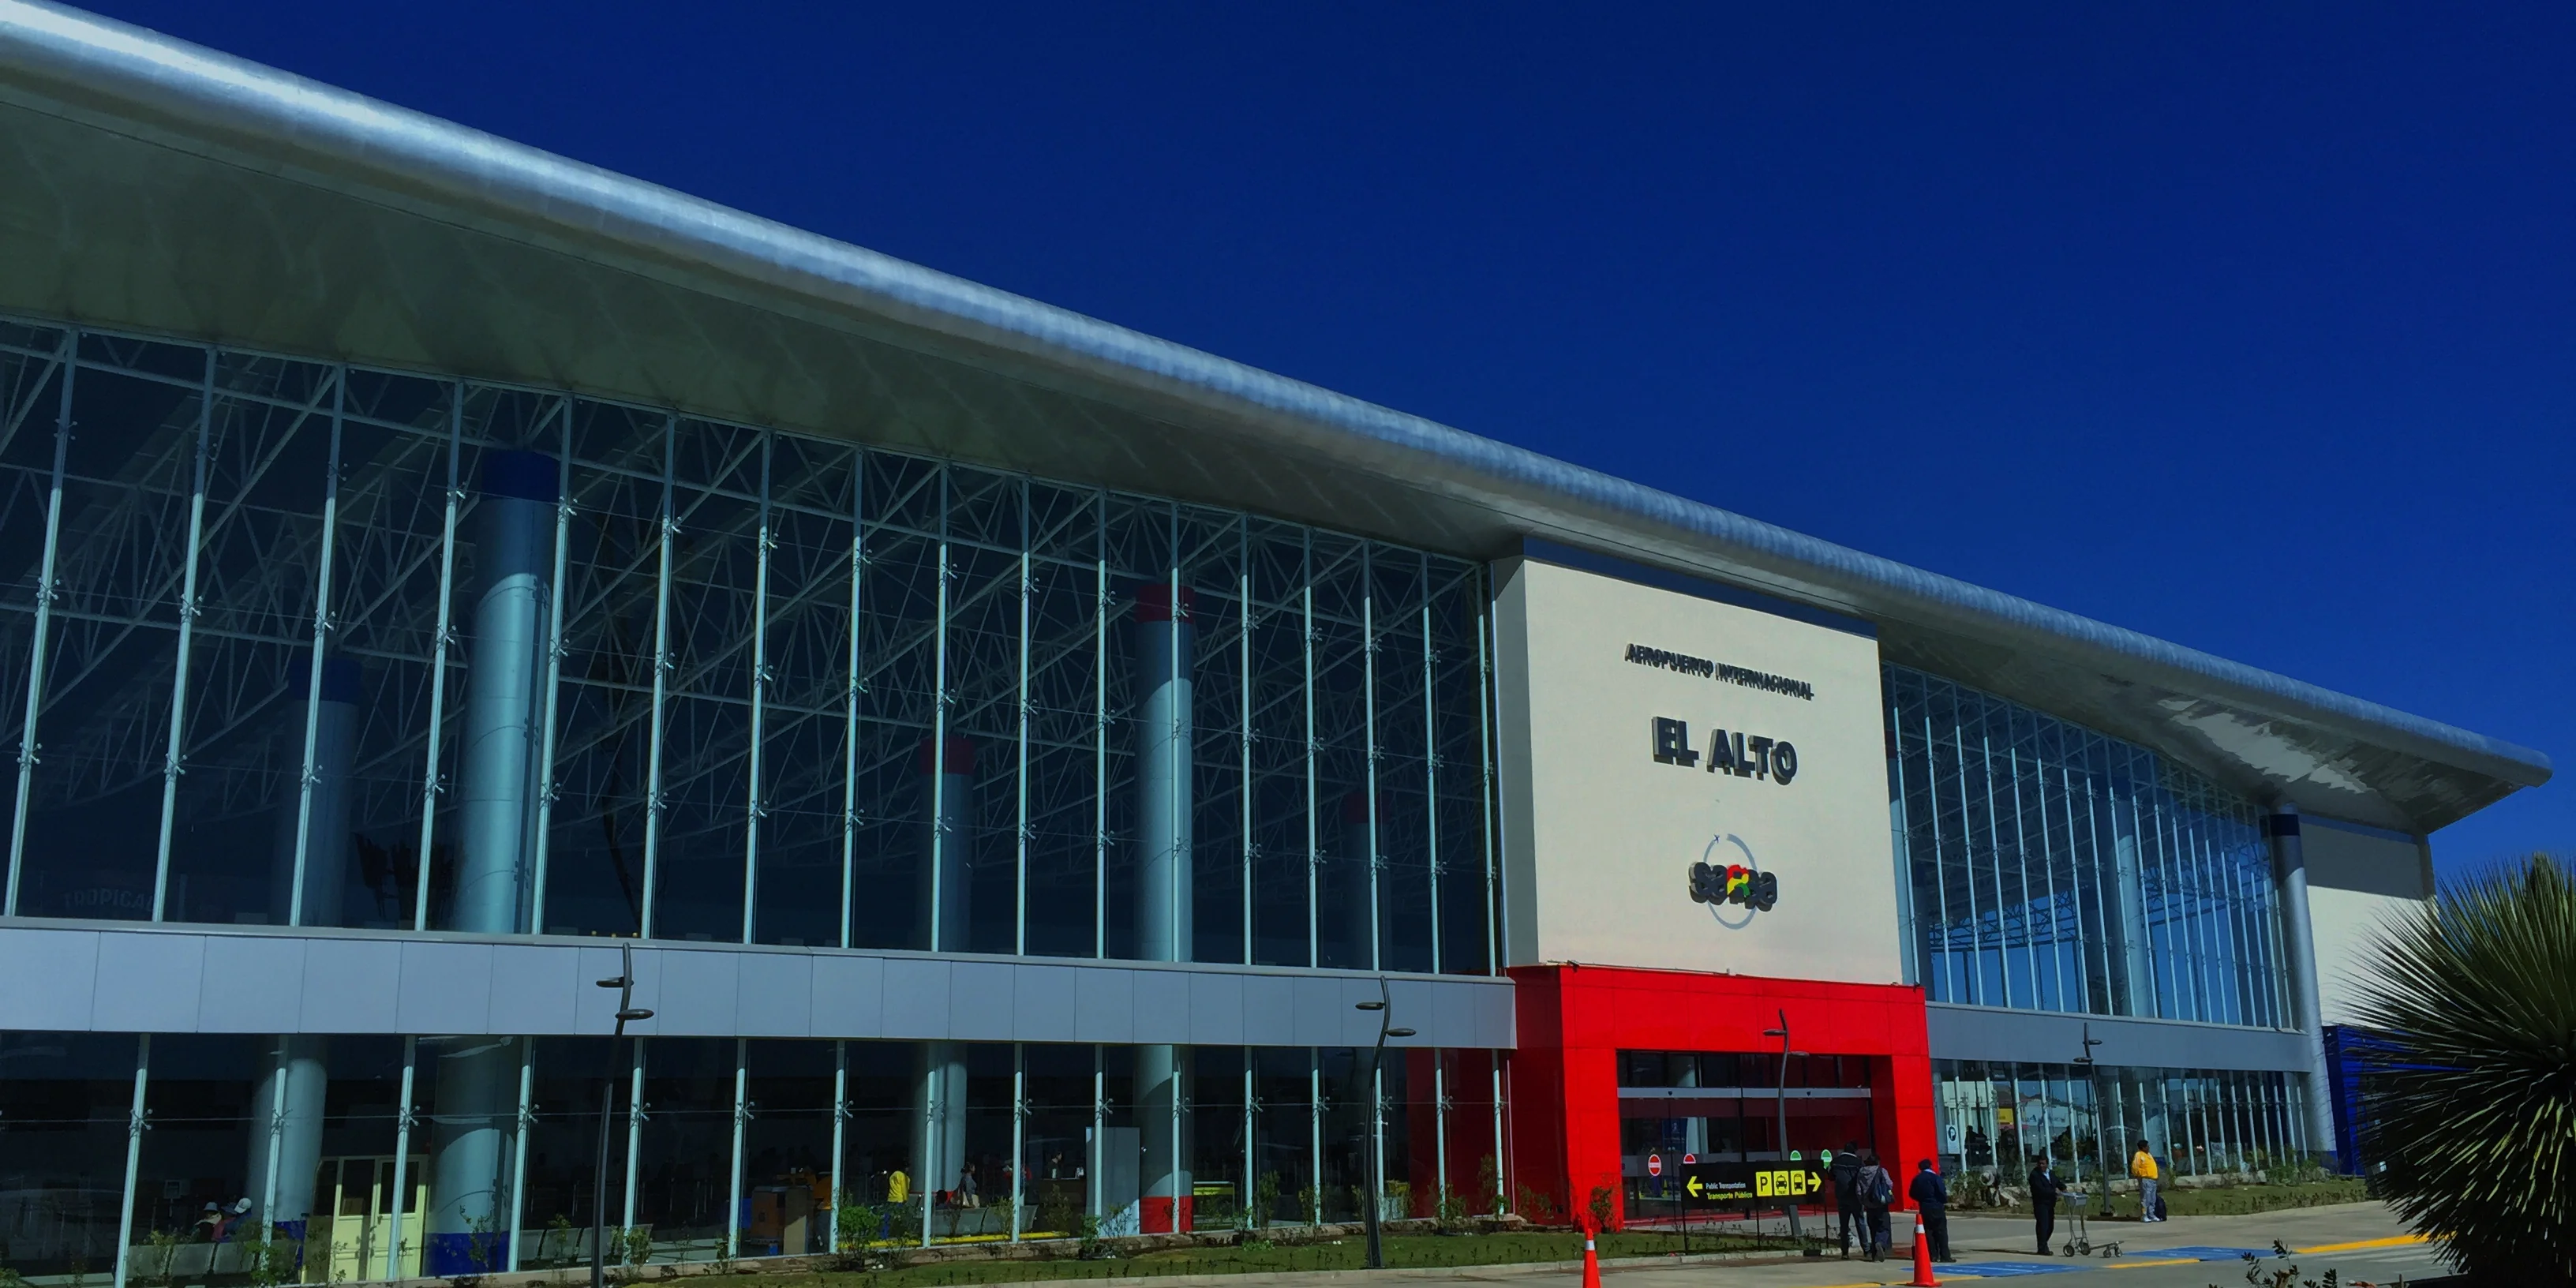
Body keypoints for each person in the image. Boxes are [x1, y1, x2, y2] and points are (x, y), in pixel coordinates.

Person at [1908, 1159, 1952, 1264]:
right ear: (1931, 1166)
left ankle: (1933, 1255)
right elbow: (1941, 1191)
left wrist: (1922, 1199)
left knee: (1929, 1231)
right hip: (1936, 1206)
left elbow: (1912, 1193)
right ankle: (1945, 1256)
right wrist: (1942, 1200)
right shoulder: (1936, 1177)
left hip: (1925, 1206)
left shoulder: (1917, 1179)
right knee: (1941, 1231)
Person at [1855, 1150, 1893, 1262]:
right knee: (1884, 1227)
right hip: (1881, 1203)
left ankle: (1875, 1255)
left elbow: (1858, 1191)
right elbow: (1889, 1184)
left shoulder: (1861, 1173)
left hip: (1869, 1205)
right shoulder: (1881, 1171)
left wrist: (1863, 1201)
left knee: (1873, 1228)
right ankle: (1880, 1243)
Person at [1829, 1140, 1864, 1259]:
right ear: (1855, 1150)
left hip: (1842, 1197)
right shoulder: (1858, 1162)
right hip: (1855, 1197)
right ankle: (1867, 1250)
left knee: (1843, 1225)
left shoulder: (1836, 1161)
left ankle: (1845, 1252)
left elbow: (1830, 1176)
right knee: (1860, 1222)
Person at [2027, 1155, 2061, 1256]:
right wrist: (2053, 1192)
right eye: (2040, 1164)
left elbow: (2057, 1182)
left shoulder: (2050, 1173)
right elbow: (2039, 1189)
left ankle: (2043, 1244)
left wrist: (2062, 1188)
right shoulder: (2034, 1175)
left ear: (2047, 1164)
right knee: (2043, 1226)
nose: (2041, 1166)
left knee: (2050, 1226)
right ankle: (2042, 1248)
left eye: (2043, 1163)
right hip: (2040, 1204)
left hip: (2050, 1203)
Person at [2129, 1145, 2160, 1222]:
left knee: (2152, 1198)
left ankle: (2151, 1215)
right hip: (2145, 1179)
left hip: (2153, 1179)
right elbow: (2135, 1167)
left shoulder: (2149, 1155)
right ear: (2142, 1147)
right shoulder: (2139, 1155)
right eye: (2146, 1146)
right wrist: (2139, 1174)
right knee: (2146, 1198)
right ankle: (2144, 1215)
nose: (2148, 1148)